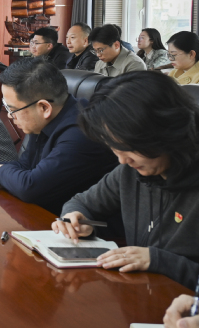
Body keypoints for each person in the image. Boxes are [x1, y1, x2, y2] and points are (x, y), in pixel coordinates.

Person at [54, 71, 199, 287]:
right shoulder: (131, 172)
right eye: (114, 148)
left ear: (164, 132)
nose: (122, 160)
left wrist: (160, 261)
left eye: (127, 148)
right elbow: (82, 202)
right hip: (138, 292)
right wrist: (75, 217)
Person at [0, 58, 117, 215]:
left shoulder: (81, 132)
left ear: (44, 108)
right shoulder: (47, 121)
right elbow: (26, 167)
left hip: (85, 228)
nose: (9, 116)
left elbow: (31, 188)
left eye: (12, 109)